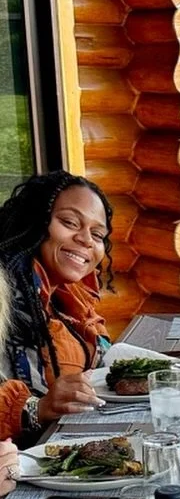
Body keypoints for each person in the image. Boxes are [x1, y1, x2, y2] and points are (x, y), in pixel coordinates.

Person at [0, 172, 112, 443]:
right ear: (35, 222)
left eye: (97, 234)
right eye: (69, 222)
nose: (86, 239)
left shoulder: (68, 295)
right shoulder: (5, 292)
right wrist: (37, 409)